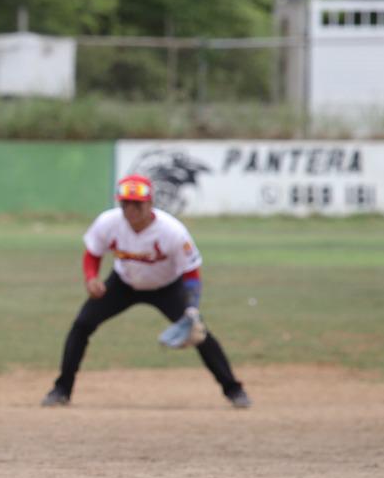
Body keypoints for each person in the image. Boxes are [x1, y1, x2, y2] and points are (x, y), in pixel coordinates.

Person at [42, 173, 251, 409]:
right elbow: (93, 252)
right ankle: (62, 389)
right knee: (82, 325)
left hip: (167, 287)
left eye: (136, 204)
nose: (130, 209)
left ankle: (234, 389)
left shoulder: (172, 231)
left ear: (150, 203)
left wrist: (192, 308)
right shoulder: (108, 223)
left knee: (200, 335)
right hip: (123, 283)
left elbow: (192, 273)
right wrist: (91, 278)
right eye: (125, 203)